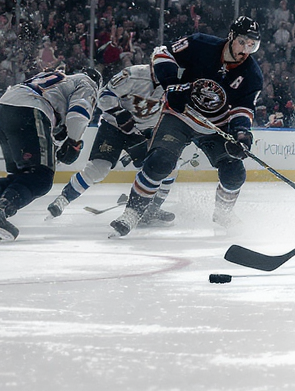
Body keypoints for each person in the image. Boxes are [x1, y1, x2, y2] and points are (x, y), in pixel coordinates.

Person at [109, 17, 264, 237]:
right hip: (180, 115)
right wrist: (172, 84)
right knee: (159, 162)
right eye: (243, 42)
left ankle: (223, 213)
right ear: (231, 37)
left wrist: (241, 133)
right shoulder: (202, 44)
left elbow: (243, 108)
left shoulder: (252, 74)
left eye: (252, 45)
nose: (246, 50)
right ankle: (133, 213)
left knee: (234, 174)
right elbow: (162, 53)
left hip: (215, 125)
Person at [0, 67, 100, 241]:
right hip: (29, 110)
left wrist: (59, 144)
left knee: (22, 176)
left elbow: (53, 128)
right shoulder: (88, 83)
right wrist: (74, 143)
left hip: (3, 110)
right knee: (41, 178)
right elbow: (79, 114)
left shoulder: (61, 79)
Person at [45, 62, 175, 225]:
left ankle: (153, 208)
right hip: (113, 126)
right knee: (98, 168)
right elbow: (105, 96)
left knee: (167, 167)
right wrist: (119, 114)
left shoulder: (176, 85)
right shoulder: (133, 74)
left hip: (142, 132)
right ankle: (62, 200)